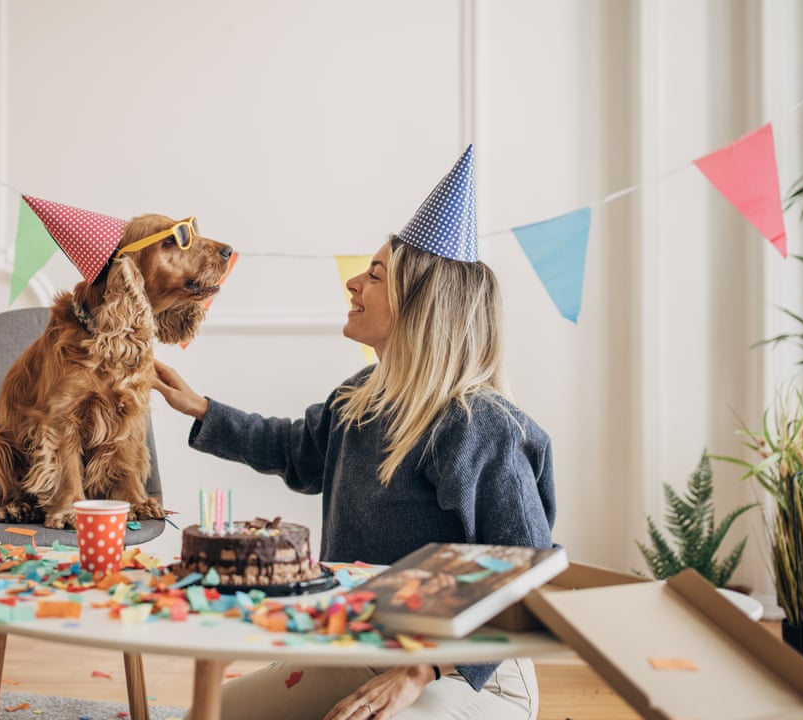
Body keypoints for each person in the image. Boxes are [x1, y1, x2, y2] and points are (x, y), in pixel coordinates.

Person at [152, 144, 556, 720]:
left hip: (470, 667)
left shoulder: (480, 426)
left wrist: (420, 671)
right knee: (210, 714)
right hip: (367, 642)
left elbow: (526, 572)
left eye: (374, 275)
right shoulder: (359, 397)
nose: (353, 285)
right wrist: (202, 409)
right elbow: (297, 450)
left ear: (423, 305)